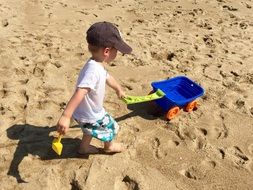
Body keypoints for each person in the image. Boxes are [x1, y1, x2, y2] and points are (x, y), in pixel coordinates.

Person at [56, 21, 132, 154]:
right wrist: (66, 116)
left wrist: (118, 89)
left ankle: (84, 148)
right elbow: (80, 92)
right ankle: (109, 147)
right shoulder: (93, 70)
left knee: (89, 129)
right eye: (117, 50)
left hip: (85, 112)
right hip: (90, 113)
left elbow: (108, 77)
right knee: (111, 126)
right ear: (107, 51)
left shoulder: (96, 63)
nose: (118, 54)